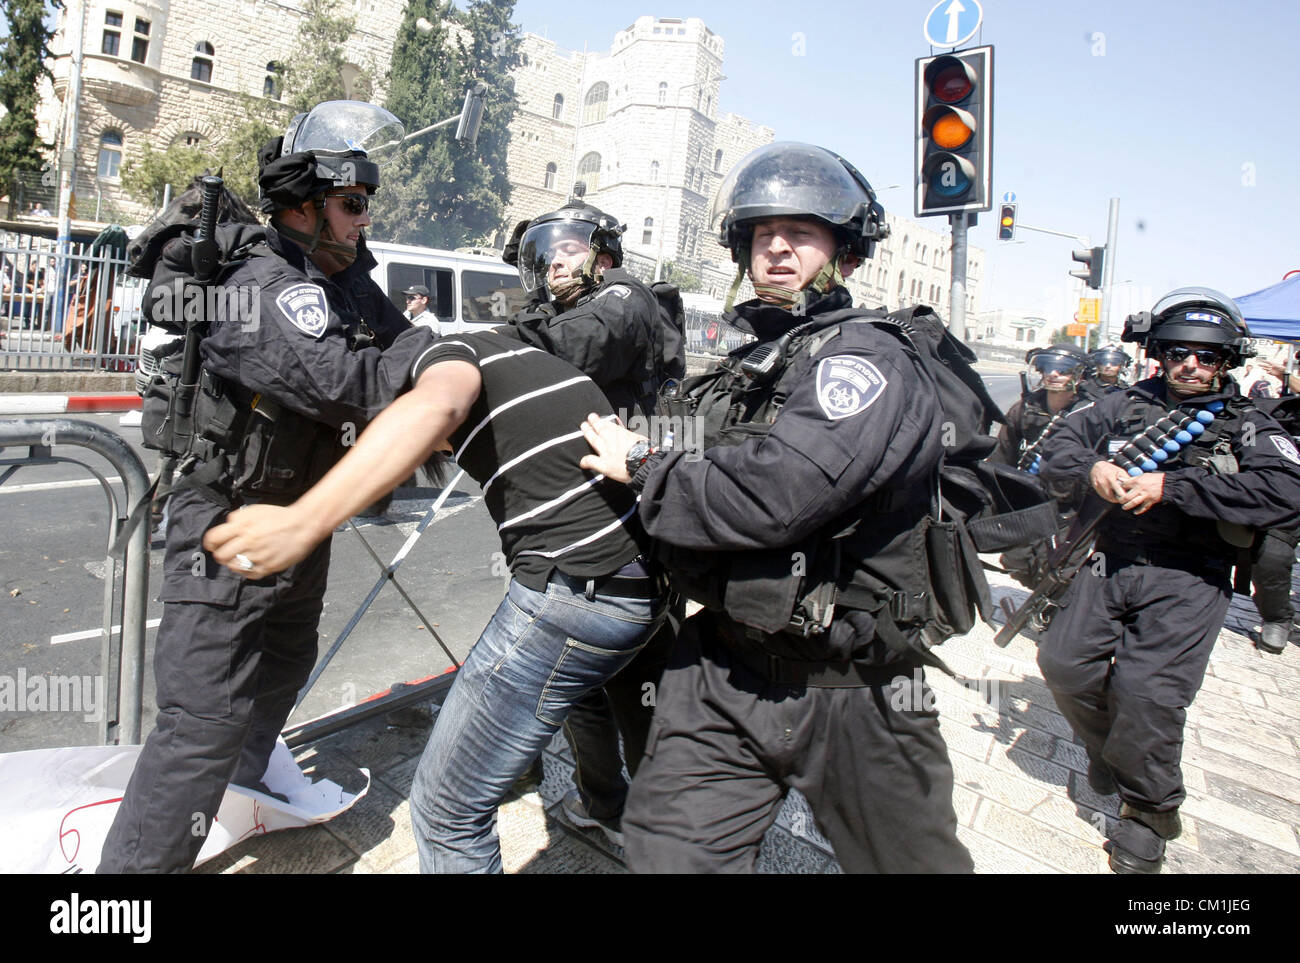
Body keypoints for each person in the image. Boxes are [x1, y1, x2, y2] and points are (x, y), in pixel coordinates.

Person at [578, 141, 973, 873]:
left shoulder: (866, 358)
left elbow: (776, 491)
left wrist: (642, 465)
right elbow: (692, 439)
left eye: (802, 234)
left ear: (846, 255)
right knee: (667, 858)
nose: (778, 250)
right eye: (763, 236)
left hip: (856, 689)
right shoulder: (756, 361)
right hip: (725, 666)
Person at [97, 101, 434, 873]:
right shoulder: (261, 279)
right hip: (227, 524)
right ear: (305, 204)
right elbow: (339, 378)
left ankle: (245, 794)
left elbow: (406, 338)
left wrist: (437, 357)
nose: (363, 220)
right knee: (200, 726)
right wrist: (432, 374)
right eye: (352, 204)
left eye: (366, 204)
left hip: (295, 527)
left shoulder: (340, 276)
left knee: (284, 663)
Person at [203, 328, 667, 873]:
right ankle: (602, 806)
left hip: (575, 596)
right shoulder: (518, 358)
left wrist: (302, 521)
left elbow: (438, 403)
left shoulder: (442, 355)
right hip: (637, 582)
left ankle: (603, 809)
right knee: (581, 694)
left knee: (447, 812)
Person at [1035, 287, 1300, 874]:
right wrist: (1094, 467)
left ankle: (1150, 812)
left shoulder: (1247, 422)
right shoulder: (1123, 404)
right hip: (1107, 560)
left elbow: (1286, 492)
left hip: (1190, 576)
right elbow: (1058, 449)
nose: (1191, 366)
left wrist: (1174, 489)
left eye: (1208, 357)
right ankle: (1108, 750)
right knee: (1064, 665)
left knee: (1148, 696)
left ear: (1228, 362)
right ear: (1158, 351)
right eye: (1179, 352)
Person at [500, 200, 681, 845]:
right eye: (547, 249)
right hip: (580, 526)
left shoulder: (625, 299)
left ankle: (656, 820)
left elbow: (562, 350)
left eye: (572, 247)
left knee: (638, 684)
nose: (556, 260)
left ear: (604, 254)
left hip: (627, 532)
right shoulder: (560, 308)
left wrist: (469, 350)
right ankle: (606, 803)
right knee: (582, 686)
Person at [990, 343, 1092, 600]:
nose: (1053, 374)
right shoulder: (1024, 408)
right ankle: (1041, 596)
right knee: (1017, 561)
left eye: (1064, 370)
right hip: (1029, 499)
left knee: (1060, 566)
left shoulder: (1091, 412)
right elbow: (1004, 453)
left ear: (1079, 375)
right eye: (1047, 367)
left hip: (1071, 505)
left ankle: (1052, 610)